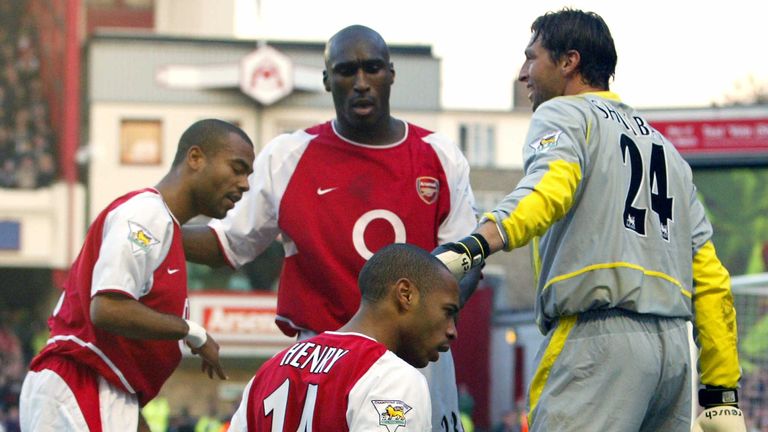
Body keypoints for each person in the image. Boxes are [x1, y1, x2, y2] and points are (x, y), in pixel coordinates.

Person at [433, 8, 746, 432]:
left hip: (599, 341)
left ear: (569, 62)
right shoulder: (669, 154)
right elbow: (710, 277)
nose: (524, 73)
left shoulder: (565, 114)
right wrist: (720, 389)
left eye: (531, 57)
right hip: (673, 359)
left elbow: (550, 188)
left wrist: (474, 244)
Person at [183, 25, 478, 431]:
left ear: (391, 74)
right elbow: (227, 242)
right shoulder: (289, 155)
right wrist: (157, 225)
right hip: (322, 360)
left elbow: (467, 260)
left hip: (417, 354)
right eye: (345, 71)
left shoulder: (439, 156)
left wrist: (426, 325)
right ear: (326, 80)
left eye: (372, 68)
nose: (360, 83)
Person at [19, 119, 255, 431]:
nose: (245, 184)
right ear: (196, 158)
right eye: (237, 168)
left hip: (107, 386)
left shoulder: (165, 228)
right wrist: (191, 331)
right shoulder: (146, 214)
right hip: (81, 380)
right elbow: (107, 307)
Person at [227, 243, 459, 431]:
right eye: (447, 311)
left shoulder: (273, 369)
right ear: (405, 294)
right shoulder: (391, 377)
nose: (452, 331)